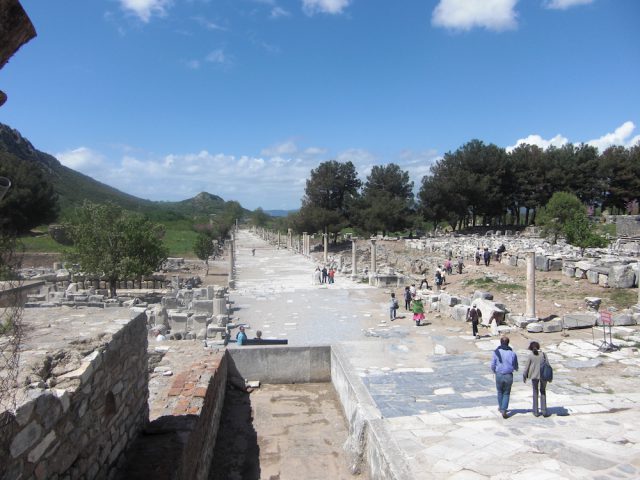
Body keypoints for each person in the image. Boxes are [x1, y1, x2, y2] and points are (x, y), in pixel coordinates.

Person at [491, 336, 519, 419]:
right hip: (508, 375)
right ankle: (504, 409)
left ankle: (501, 407)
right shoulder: (512, 353)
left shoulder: (496, 352)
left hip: (499, 374)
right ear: (508, 343)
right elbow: (515, 365)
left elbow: (493, 364)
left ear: (500, 343)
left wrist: (494, 370)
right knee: (506, 393)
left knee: (500, 391)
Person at [522, 341, 550, 417]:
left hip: (534, 376)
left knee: (535, 392)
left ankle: (536, 411)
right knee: (543, 392)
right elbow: (547, 364)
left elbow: (527, 367)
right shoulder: (544, 355)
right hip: (543, 376)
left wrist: (524, 375)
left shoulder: (531, 355)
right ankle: (544, 410)